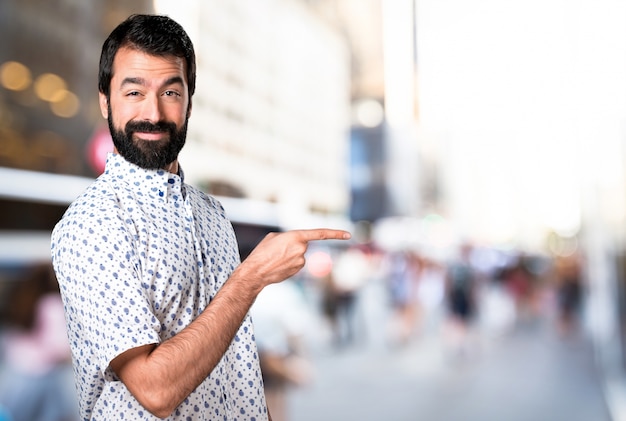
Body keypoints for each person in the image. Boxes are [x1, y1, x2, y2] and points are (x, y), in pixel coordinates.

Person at [50, 14, 350, 421]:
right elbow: (156, 390)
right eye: (134, 92)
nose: (153, 113)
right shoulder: (92, 223)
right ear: (105, 100)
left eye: (170, 92)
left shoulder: (212, 213)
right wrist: (252, 276)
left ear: (190, 100)